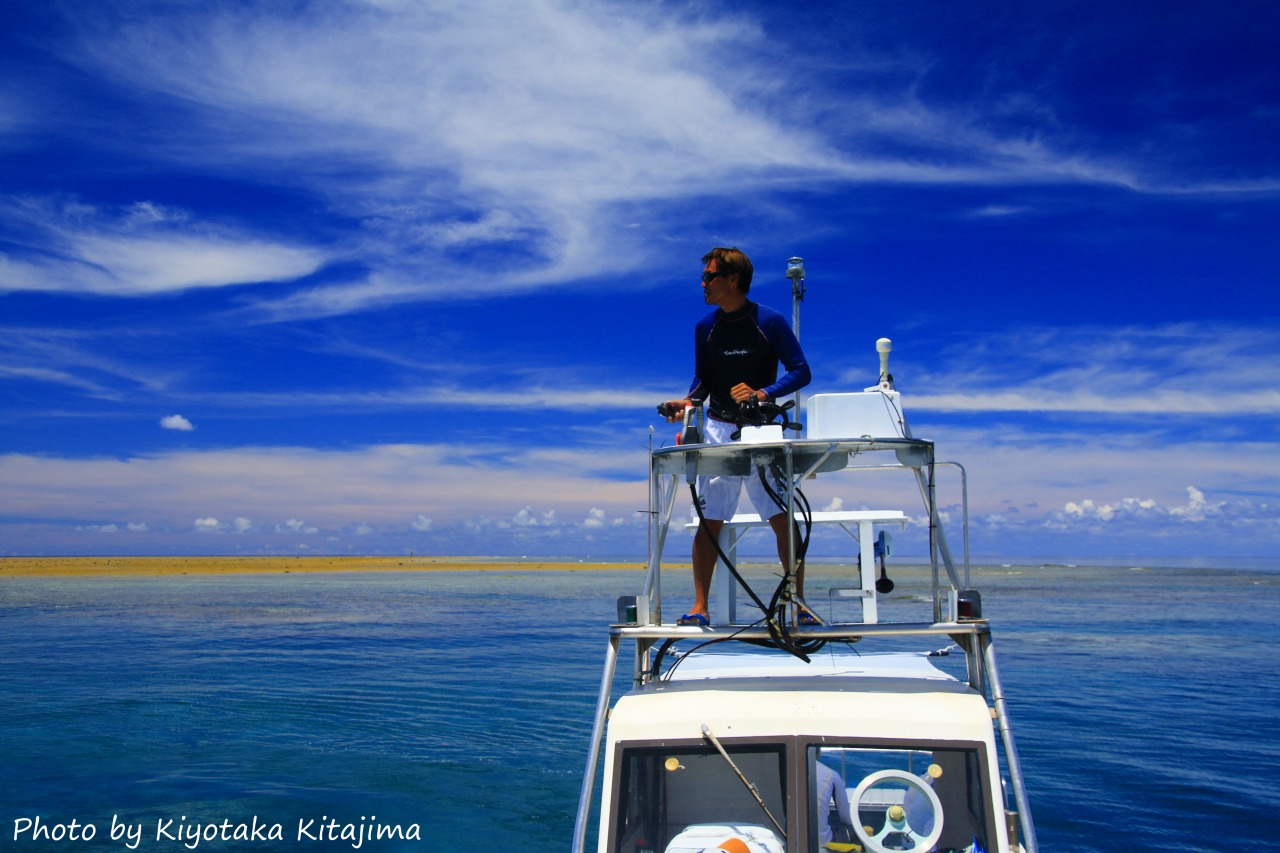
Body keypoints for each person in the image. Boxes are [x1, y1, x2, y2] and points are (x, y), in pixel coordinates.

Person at [662, 247, 812, 627]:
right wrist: (685, 403)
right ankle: (699, 606)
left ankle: (800, 603)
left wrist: (763, 393)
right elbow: (702, 382)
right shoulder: (705, 326)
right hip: (717, 430)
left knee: (782, 517)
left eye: (709, 277)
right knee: (709, 520)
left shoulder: (771, 321)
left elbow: (801, 371)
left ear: (732, 280)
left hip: (761, 430)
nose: (703, 284)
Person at [814, 760, 855, 849]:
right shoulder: (831, 774)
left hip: (788, 837)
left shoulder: (786, 772)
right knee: (852, 831)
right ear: (818, 752)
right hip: (822, 841)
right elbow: (846, 819)